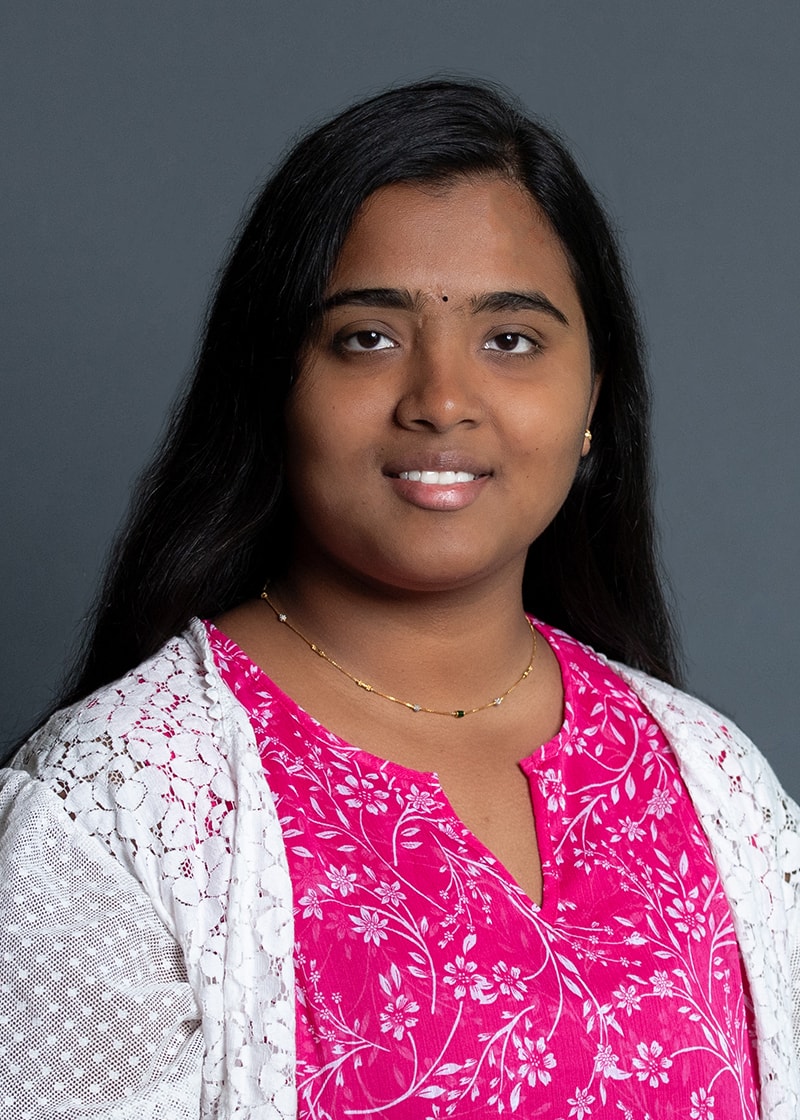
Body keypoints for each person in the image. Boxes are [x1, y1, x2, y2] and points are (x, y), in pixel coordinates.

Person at [1, 79, 797, 1120]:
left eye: (510, 340)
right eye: (367, 337)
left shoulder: (715, 784)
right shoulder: (125, 800)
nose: (441, 400)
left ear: (593, 398)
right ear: (272, 383)